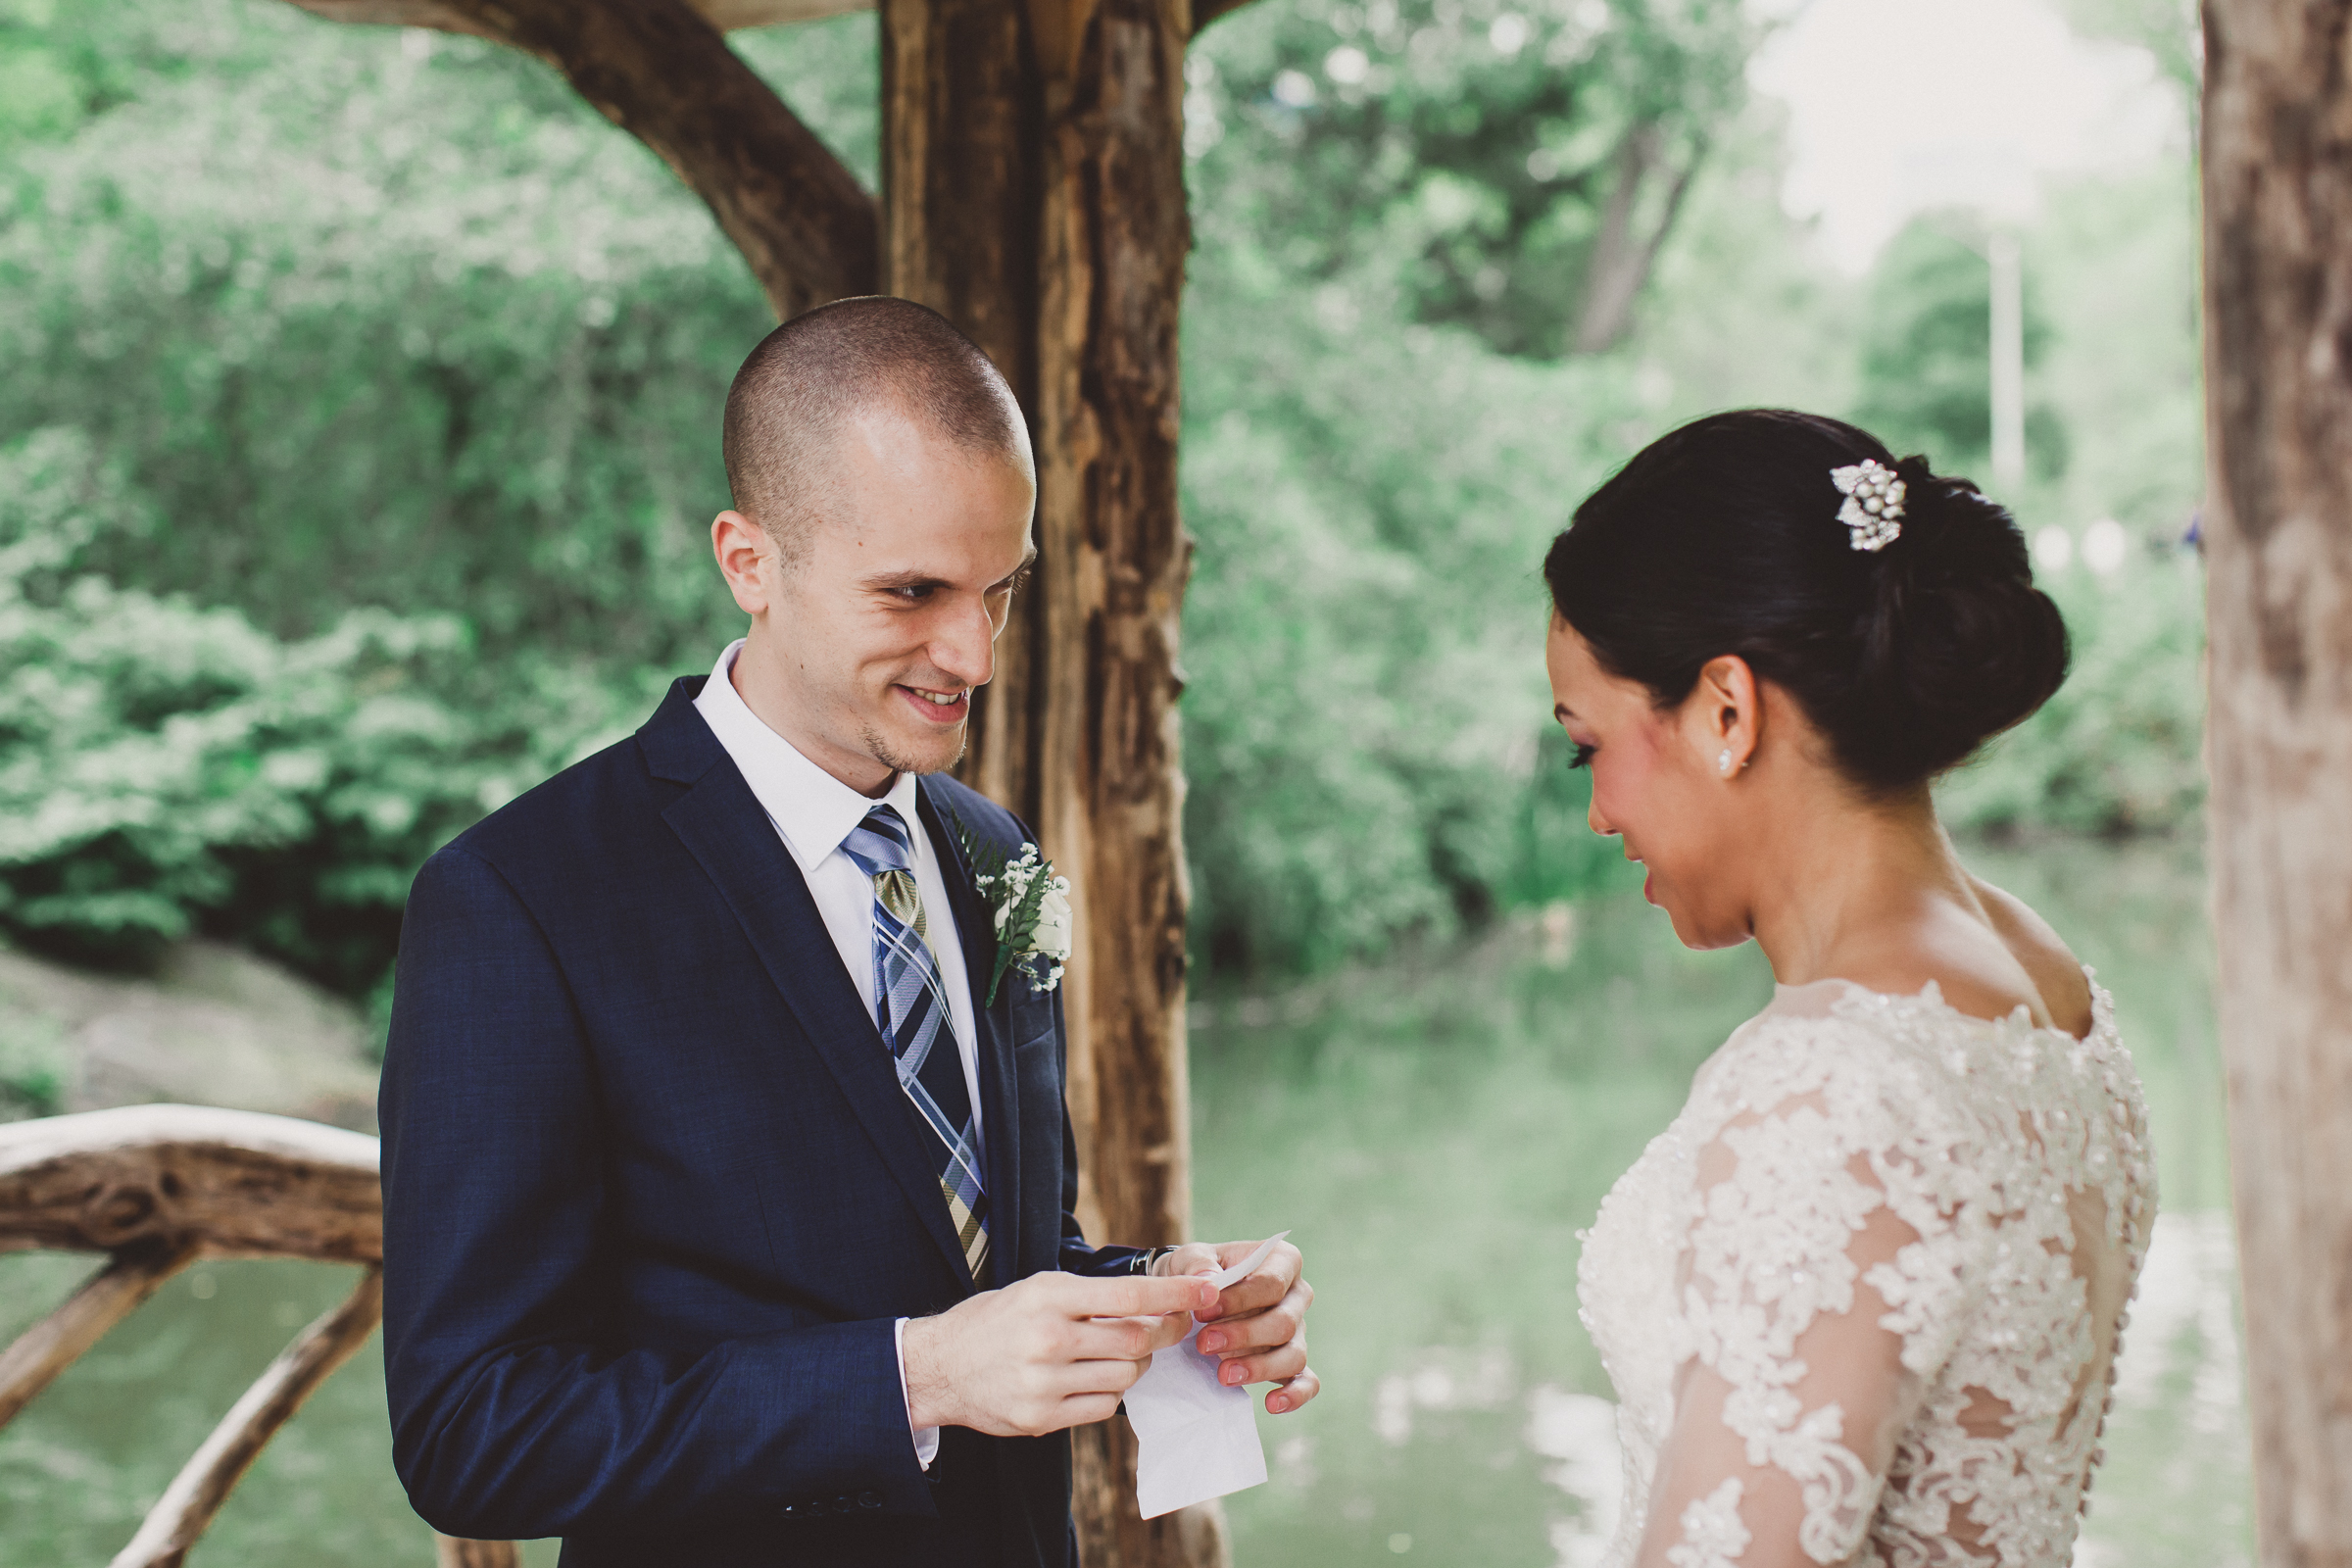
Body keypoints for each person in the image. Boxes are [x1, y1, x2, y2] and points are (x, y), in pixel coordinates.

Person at [378, 296, 1317, 1568]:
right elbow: (472, 1434)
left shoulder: (995, 856)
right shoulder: (521, 901)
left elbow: (989, 1258)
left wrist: (1163, 1294)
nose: (974, 655)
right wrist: (911, 1379)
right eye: (913, 593)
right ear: (749, 562)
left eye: (1001, 589)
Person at [1546, 411, 2155, 1567]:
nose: (1596, 812)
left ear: (1727, 710)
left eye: (1591, 745)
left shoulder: (1829, 1084)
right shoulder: (2048, 985)